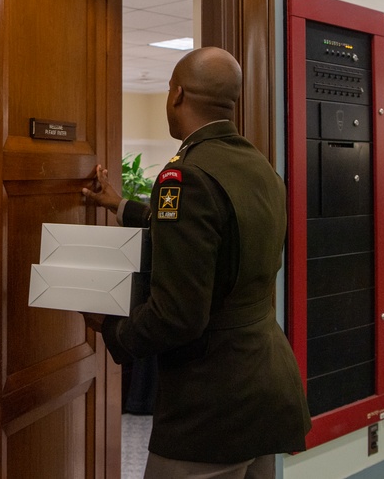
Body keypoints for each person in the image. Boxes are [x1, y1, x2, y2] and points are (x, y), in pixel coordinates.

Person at [82, 47, 311, 479]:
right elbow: (208, 233)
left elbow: (179, 316)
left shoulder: (186, 175)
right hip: (266, 385)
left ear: (177, 95)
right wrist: (119, 204)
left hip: (212, 404)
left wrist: (112, 328)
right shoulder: (257, 165)